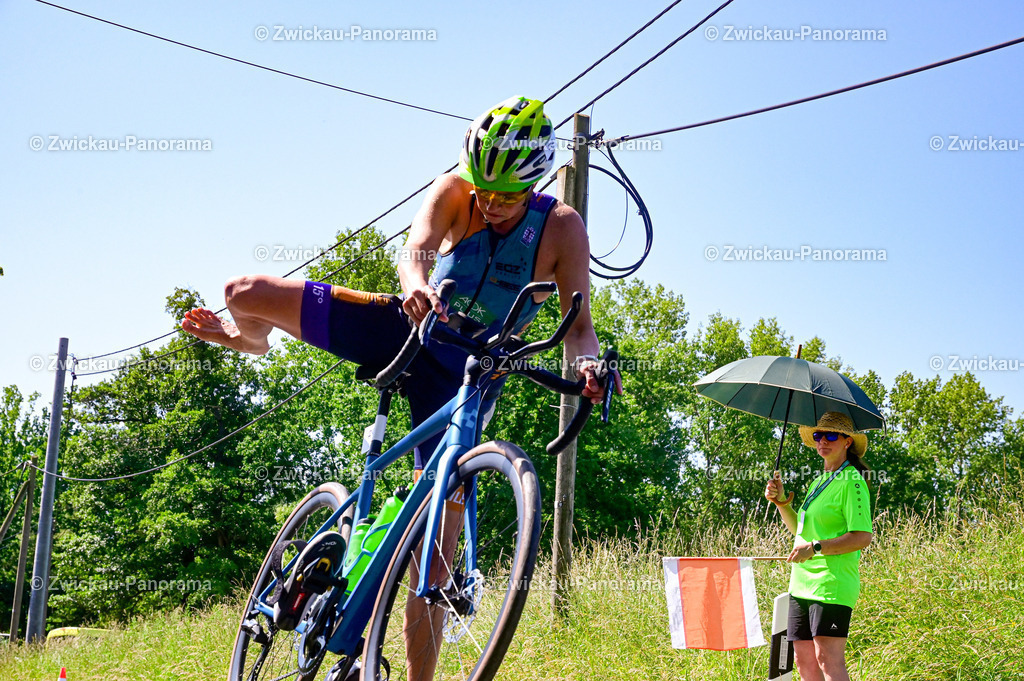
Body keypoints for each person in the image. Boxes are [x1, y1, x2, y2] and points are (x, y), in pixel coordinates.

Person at [182, 95, 619, 679]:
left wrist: (587, 368)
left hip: (471, 374)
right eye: (481, 189)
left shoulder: (561, 229)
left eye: (505, 196)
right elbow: (414, 248)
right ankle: (252, 339)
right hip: (407, 328)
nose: (488, 204)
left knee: (434, 562)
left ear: (535, 181)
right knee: (244, 290)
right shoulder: (455, 191)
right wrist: (416, 283)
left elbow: (579, 329)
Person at [764, 411, 874, 681]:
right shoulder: (819, 481)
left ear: (848, 442)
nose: (823, 440)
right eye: (818, 435)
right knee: (804, 663)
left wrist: (815, 548)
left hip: (831, 586)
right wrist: (782, 504)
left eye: (831, 435)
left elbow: (862, 537)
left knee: (828, 660)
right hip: (800, 585)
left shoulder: (853, 482)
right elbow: (801, 531)